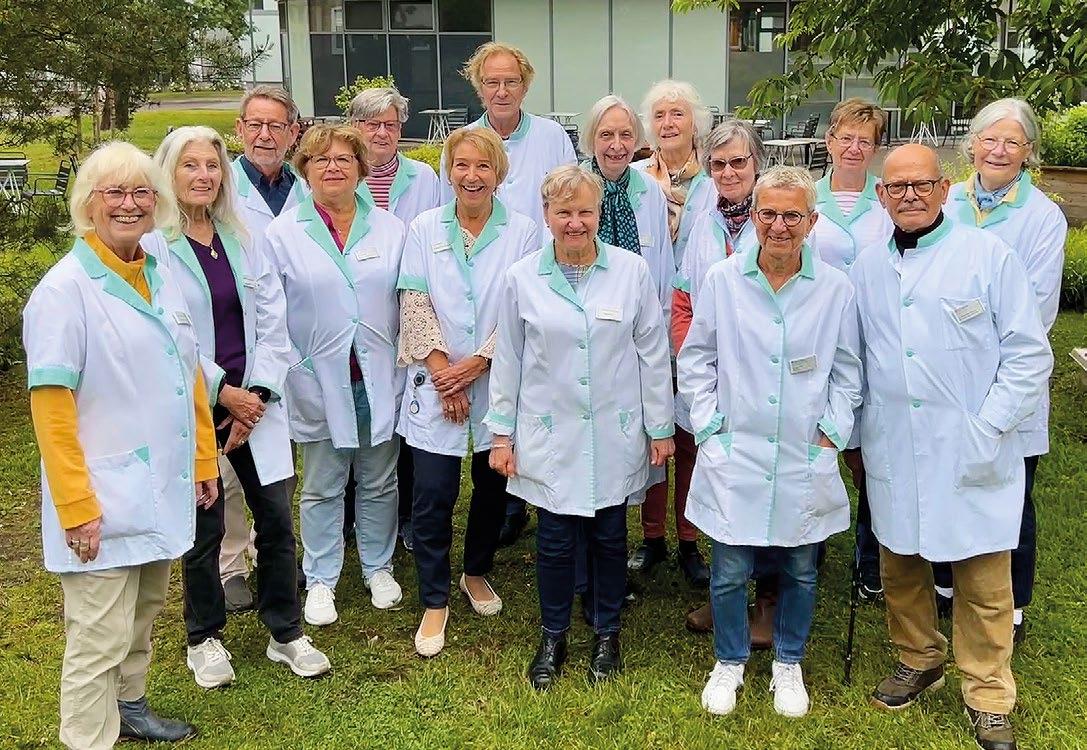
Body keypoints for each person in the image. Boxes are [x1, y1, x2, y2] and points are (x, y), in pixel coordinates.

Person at [854, 144, 1052, 750]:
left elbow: (1028, 354)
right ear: (882, 196)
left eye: (921, 184)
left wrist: (989, 425)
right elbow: (855, 358)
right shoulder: (866, 267)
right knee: (900, 565)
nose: (909, 195)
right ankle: (919, 657)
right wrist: (855, 435)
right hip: (893, 440)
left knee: (985, 579)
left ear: (945, 189)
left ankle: (989, 693)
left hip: (972, 443)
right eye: (897, 186)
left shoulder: (987, 257)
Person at [23, 140, 219, 747]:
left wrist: (204, 459)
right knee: (98, 634)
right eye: (115, 192)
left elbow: (188, 371)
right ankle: (89, 737)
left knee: (143, 611)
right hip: (101, 497)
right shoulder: (64, 291)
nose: (129, 204)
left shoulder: (158, 270)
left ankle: (130, 705)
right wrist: (76, 506)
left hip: (160, 484)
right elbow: (51, 409)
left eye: (141, 192)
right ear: (89, 204)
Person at [680, 165, 862, 718]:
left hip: (804, 450)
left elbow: (847, 373)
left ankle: (788, 660)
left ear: (812, 221)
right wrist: (709, 428)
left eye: (792, 216)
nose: (779, 226)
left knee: (801, 568)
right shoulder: (723, 280)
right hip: (736, 449)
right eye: (768, 214)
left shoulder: (835, 288)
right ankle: (729, 660)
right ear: (754, 217)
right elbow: (697, 359)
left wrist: (830, 437)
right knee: (729, 570)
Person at [152, 126, 330, 688]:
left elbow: (274, 320)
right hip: (198, 405)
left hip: (256, 407)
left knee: (276, 521)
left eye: (212, 165)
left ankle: (286, 631)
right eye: (190, 165)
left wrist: (256, 396)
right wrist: (221, 391)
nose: (203, 175)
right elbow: (166, 334)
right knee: (204, 527)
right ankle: (203, 637)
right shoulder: (155, 247)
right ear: (169, 173)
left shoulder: (243, 237)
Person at [486, 165, 675, 689]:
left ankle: (607, 633)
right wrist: (501, 435)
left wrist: (661, 427)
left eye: (585, 211)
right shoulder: (522, 277)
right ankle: (553, 635)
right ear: (546, 215)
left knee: (611, 536)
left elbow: (652, 352)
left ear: (599, 214)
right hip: (549, 431)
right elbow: (509, 359)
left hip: (615, 428)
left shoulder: (631, 271)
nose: (575, 222)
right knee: (554, 539)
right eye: (564, 212)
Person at [398, 127, 540, 657]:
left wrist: (476, 365)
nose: (472, 175)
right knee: (432, 493)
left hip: (494, 374)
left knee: (491, 485)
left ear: (499, 173)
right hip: (434, 378)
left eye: (483, 166)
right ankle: (435, 598)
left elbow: (523, 307)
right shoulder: (424, 227)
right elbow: (414, 300)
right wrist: (444, 373)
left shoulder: (523, 231)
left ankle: (475, 571)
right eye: (461, 165)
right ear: (448, 171)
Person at [263, 124, 406, 626]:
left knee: (379, 479)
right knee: (323, 483)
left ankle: (378, 566)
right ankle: (321, 577)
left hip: (377, 374)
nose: (333, 168)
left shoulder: (391, 229)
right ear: (304, 169)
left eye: (344, 159)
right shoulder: (282, 234)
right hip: (317, 377)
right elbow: (271, 312)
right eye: (321, 159)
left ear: (361, 169)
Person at [440, 41, 577, 546]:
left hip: (544, 284)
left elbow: (569, 198)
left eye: (511, 81)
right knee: (500, 395)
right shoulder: (464, 143)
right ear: (479, 86)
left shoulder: (551, 137)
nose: (502, 90)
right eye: (491, 82)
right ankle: (506, 502)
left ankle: (537, 493)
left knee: (536, 392)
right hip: (481, 290)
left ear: (526, 85)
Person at [941, 97, 1066, 642]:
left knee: (1011, 493)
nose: (998, 150)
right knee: (949, 480)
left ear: (1028, 152)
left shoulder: (1043, 218)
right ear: (972, 144)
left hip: (1008, 374)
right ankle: (947, 587)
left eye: (1011, 142)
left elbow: (1036, 308)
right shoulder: (947, 201)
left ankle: (1010, 608)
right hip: (946, 376)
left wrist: (967, 336)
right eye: (990, 139)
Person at [670, 120, 774, 636]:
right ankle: (726, 593)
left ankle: (769, 601)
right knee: (721, 489)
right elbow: (683, 302)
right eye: (718, 164)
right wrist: (698, 372)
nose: (729, 172)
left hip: (768, 384)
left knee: (768, 490)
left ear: (757, 164)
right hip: (712, 383)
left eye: (738, 162)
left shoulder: (777, 219)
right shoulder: (704, 222)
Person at [220, 85, 307, 611]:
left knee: (281, 463)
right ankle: (231, 562)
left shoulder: (306, 187)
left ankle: (272, 550)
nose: (265, 135)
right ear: (240, 130)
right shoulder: (221, 186)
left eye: (277, 125)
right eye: (255, 124)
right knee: (231, 460)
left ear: (293, 132)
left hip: (296, 346)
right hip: (238, 344)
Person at [349, 85, 441, 553]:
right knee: (352, 414)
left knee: (404, 414)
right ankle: (349, 515)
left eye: (390, 124)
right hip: (358, 311)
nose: (381, 133)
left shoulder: (424, 177)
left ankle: (403, 516)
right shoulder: (341, 174)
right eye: (372, 124)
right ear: (355, 128)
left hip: (410, 308)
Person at [811, 98, 894, 602]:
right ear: (830, 141)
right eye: (846, 137)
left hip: (873, 340)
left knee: (870, 456)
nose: (854, 148)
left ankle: (870, 559)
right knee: (814, 443)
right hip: (816, 344)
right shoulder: (807, 198)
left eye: (865, 140)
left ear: (875, 147)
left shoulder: (887, 201)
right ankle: (808, 548)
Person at [632, 79, 718, 265]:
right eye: (659, 116)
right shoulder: (634, 177)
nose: (667, 123)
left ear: (695, 124)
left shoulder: (716, 176)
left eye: (677, 114)